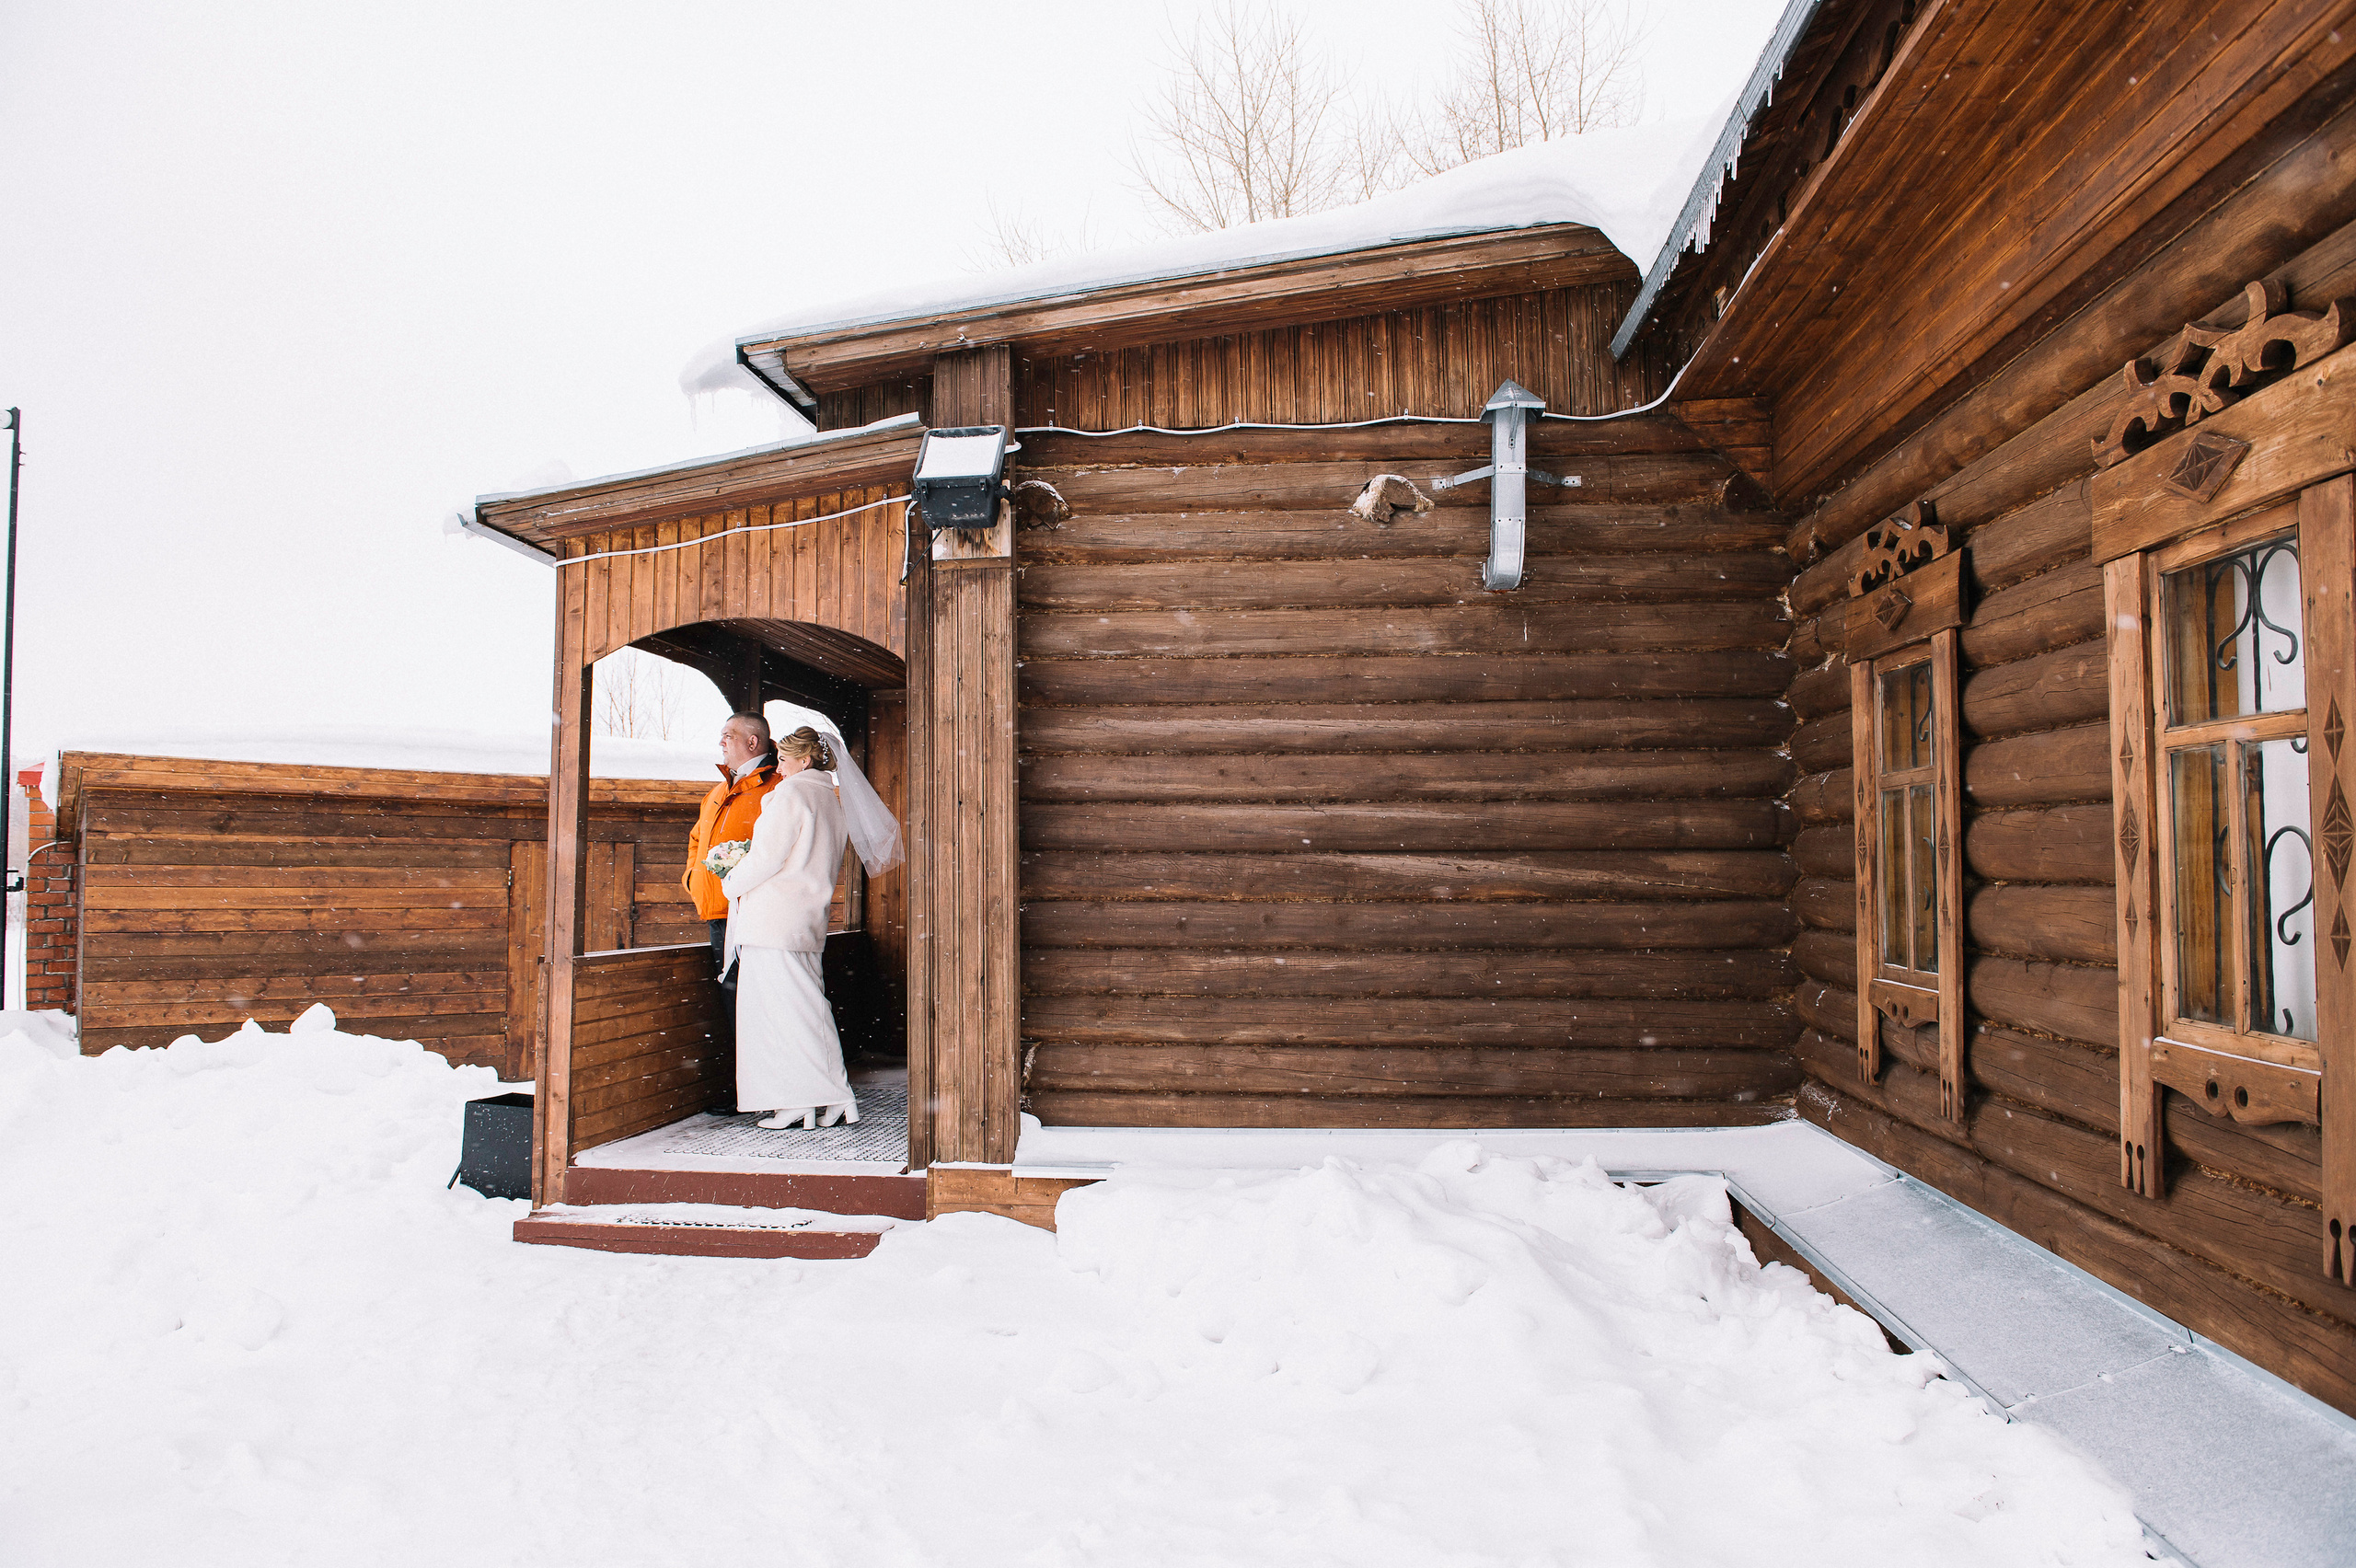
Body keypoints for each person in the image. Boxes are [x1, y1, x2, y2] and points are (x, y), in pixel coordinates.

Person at [719, 726, 859, 1130]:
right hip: (807, 919)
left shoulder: (791, 795)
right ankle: (830, 1095)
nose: (777, 767)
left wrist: (730, 881)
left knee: (779, 1015)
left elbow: (766, 858)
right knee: (809, 1007)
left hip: (773, 921)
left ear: (805, 760)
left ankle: (801, 1099)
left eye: (783, 759)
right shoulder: (830, 801)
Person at [682, 713, 780, 993]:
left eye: (728, 735)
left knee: (752, 997)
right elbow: (696, 840)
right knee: (731, 996)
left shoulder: (776, 787)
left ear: (752, 741)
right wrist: (694, 878)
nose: (721, 742)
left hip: (753, 917)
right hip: (717, 914)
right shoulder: (716, 792)